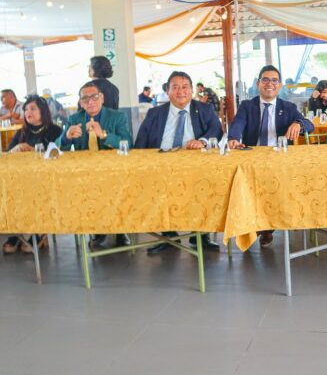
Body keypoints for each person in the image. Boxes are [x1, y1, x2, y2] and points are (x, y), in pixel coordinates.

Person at [135, 71, 223, 254]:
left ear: (192, 90)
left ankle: (200, 235)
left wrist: (203, 141)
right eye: (175, 87)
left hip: (194, 165)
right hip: (162, 164)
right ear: (168, 91)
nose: (180, 91)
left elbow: (216, 130)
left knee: (204, 185)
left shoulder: (204, 109)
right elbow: (141, 142)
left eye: (184, 87)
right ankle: (168, 236)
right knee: (156, 186)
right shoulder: (155, 113)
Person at [228, 65, 314, 248]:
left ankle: (266, 226)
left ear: (280, 85)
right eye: (265, 79)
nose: (270, 84)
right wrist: (234, 138)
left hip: (280, 160)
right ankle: (256, 225)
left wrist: (298, 123)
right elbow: (237, 124)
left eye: (274, 80)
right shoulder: (247, 106)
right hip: (254, 158)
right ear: (258, 83)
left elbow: (309, 124)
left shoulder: (289, 107)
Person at [59, 81, 133, 247]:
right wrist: (66, 137)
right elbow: (58, 147)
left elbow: (128, 143)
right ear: (80, 102)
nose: (90, 101)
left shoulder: (117, 116)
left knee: (115, 191)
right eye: (85, 98)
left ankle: (122, 230)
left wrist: (104, 134)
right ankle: (97, 230)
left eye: (94, 97)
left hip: (113, 170)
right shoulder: (74, 119)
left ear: (102, 98)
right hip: (85, 172)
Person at [3, 95, 63, 254]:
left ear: (43, 111)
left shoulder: (55, 130)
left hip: (46, 180)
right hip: (23, 180)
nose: (28, 112)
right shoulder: (22, 131)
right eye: (26, 109)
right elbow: (8, 153)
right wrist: (16, 150)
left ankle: (40, 231)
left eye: (33, 108)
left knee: (35, 194)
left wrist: (33, 151)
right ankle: (20, 231)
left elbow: (59, 156)